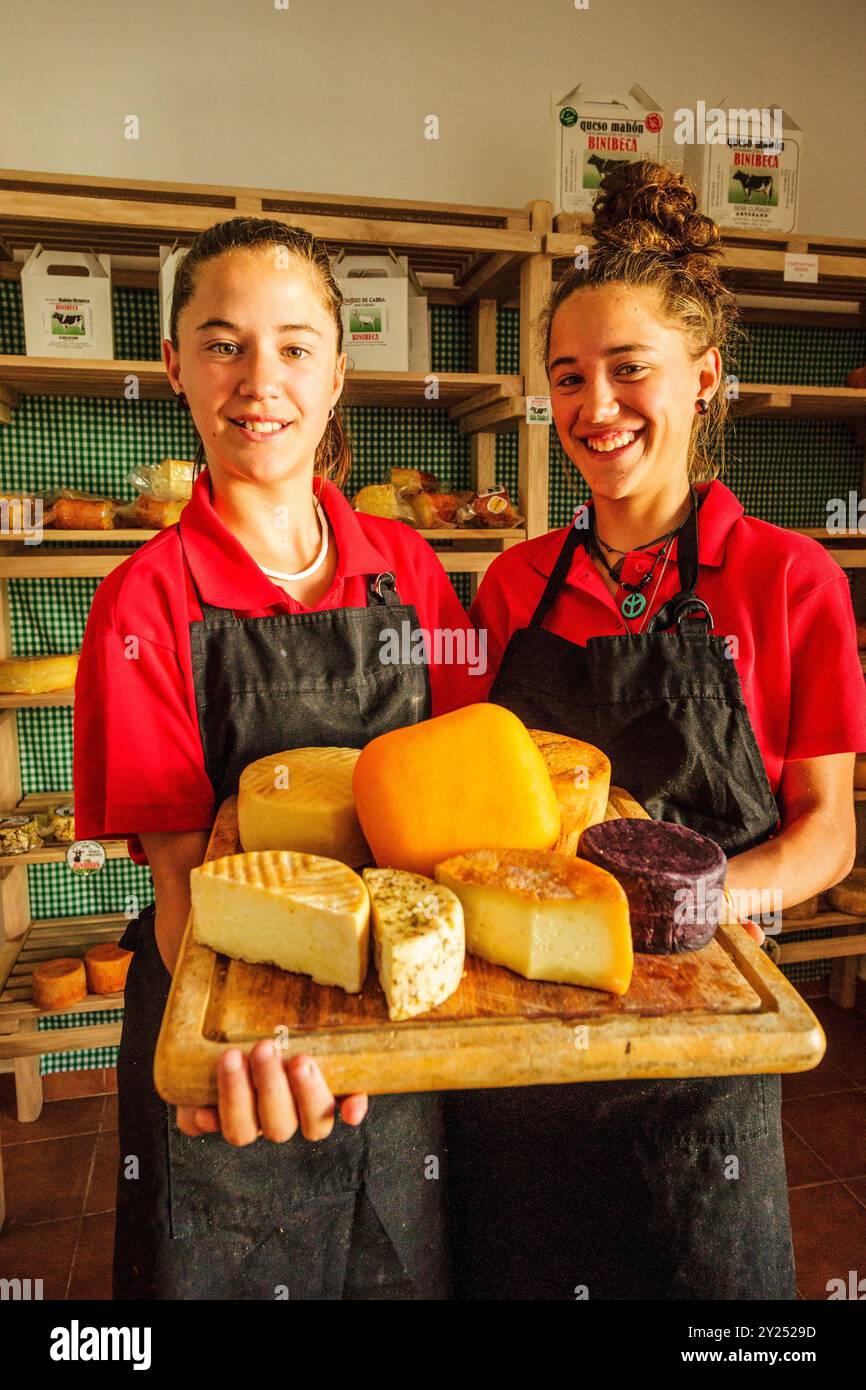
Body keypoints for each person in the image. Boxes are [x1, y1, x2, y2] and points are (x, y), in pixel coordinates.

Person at [444, 160, 866, 1301]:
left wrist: (693, 901)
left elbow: (826, 834)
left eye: (628, 371)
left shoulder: (790, 580)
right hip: (519, 1027)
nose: (595, 408)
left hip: (704, 1033)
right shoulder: (511, 587)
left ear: (705, 376)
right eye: (568, 377)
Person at [74, 216, 480, 1300]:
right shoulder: (141, 602)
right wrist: (238, 1051)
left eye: (295, 346)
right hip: (232, 1044)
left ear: (338, 372)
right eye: (222, 342)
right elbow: (177, 881)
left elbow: (465, 812)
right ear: (172, 363)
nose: (261, 380)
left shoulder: (408, 573)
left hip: (395, 1025)